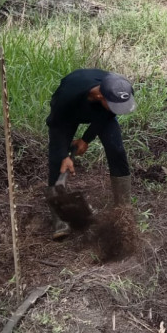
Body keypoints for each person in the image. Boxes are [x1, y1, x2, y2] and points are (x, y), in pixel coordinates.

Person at [45, 69, 136, 240]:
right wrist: (64, 155)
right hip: (66, 117)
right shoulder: (67, 96)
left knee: (116, 149)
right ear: (101, 96)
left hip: (101, 112)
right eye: (115, 105)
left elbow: (109, 113)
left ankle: (124, 209)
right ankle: (59, 219)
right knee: (58, 160)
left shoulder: (119, 89)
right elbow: (55, 125)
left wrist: (86, 139)